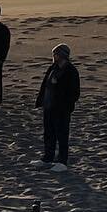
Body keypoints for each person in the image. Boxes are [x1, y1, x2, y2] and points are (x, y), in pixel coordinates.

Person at [31, 43, 80, 171]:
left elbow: (74, 92)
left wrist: (65, 105)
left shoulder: (71, 71)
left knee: (62, 135)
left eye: (56, 54)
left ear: (62, 55)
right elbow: (45, 85)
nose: (54, 56)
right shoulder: (53, 67)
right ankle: (48, 157)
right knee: (49, 133)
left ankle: (62, 161)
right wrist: (41, 101)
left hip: (61, 109)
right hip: (49, 106)